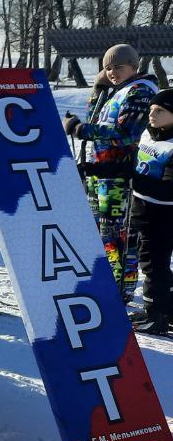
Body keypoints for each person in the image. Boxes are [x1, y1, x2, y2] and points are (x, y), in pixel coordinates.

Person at [64, 43, 157, 295]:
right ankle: (108, 285)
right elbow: (96, 120)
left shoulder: (140, 91)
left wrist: (81, 129)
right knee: (102, 235)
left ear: (134, 66)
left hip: (120, 176)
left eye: (118, 66)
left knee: (119, 237)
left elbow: (126, 133)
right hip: (102, 173)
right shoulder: (118, 90)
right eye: (108, 68)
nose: (113, 72)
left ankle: (122, 290)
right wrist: (98, 89)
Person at [130, 90, 173, 334]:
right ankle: (166, 307)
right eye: (151, 110)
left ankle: (156, 316)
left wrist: (132, 178)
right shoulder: (150, 132)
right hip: (143, 207)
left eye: (160, 111)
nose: (152, 115)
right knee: (152, 261)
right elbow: (135, 164)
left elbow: (168, 189)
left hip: (164, 214)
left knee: (153, 263)